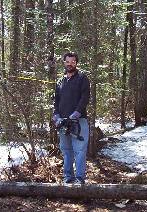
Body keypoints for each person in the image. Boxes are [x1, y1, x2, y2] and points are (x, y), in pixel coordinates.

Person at [53, 52, 90, 184]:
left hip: (79, 122)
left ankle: (80, 179)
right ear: (64, 63)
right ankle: (68, 178)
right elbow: (56, 101)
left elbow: (85, 98)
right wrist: (56, 115)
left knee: (79, 150)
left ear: (76, 63)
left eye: (73, 62)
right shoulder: (60, 81)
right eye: (67, 62)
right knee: (66, 150)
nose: (70, 64)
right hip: (63, 122)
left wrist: (75, 114)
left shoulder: (82, 78)